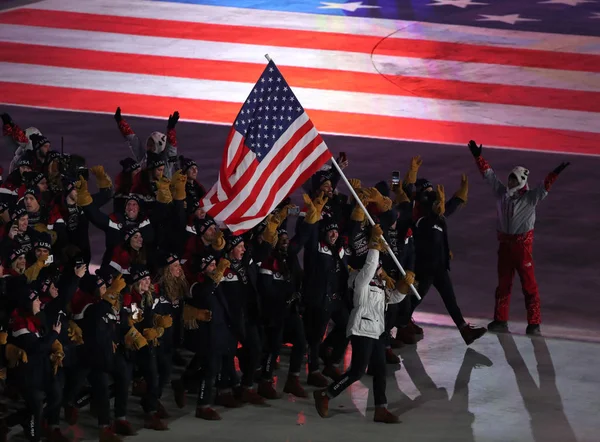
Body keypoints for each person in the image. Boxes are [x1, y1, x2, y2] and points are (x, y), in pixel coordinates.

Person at [467, 140, 570, 335]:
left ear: (522, 181)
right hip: (505, 247)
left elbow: (544, 187)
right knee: (503, 285)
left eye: (514, 179)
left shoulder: (531, 198)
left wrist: (555, 172)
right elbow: (488, 176)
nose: (510, 181)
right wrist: (478, 157)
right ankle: (500, 320)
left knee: (529, 286)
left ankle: (534, 323)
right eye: (510, 178)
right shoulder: (502, 194)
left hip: (522, 248)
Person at [313, 225, 407, 424]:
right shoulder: (358, 279)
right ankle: (325, 395)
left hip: (378, 330)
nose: (379, 269)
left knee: (380, 371)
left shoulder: (380, 284)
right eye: (376, 266)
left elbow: (392, 299)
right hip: (361, 329)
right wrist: (374, 245)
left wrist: (404, 287)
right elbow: (370, 267)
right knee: (357, 371)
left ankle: (380, 409)